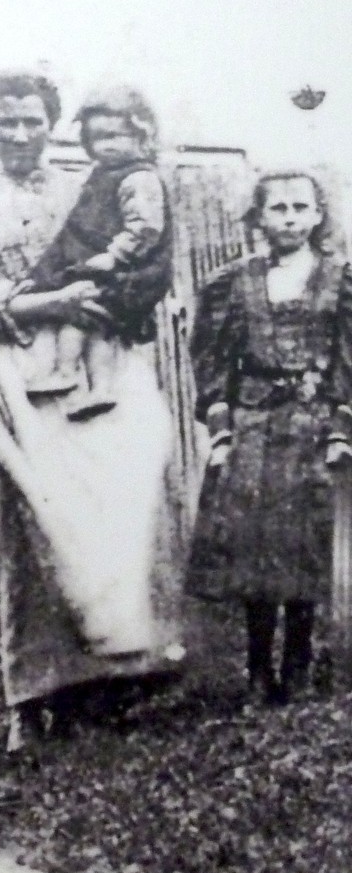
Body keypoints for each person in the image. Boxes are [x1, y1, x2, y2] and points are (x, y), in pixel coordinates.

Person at [0, 71, 181, 745]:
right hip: (18, 366)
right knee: (33, 526)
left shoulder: (89, 183)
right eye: (6, 121)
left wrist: (103, 303)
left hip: (98, 358)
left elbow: (141, 261)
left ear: (52, 125)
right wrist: (55, 304)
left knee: (109, 516)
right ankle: (33, 695)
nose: (19, 134)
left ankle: (107, 681)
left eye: (33, 121)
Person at [187, 171, 352, 705]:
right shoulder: (233, 282)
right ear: (257, 217)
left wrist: (342, 425)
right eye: (276, 207)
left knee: (304, 544)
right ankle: (258, 670)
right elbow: (212, 360)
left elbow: (348, 359)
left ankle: (299, 665)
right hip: (255, 424)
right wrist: (221, 427)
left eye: (300, 207)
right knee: (256, 551)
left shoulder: (339, 279)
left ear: (318, 215)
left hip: (311, 425)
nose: (288, 217)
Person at [23, 87, 172, 419]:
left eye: (115, 136)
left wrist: (115, 255)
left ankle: (67, 373)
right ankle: (99, 388)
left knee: (82, 316)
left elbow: (145, 227)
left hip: (132, 268)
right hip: (109, 266)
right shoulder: (102, 175)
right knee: (96, 321)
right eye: (96, 138)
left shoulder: (139, 178)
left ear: (141, 135)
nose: (105, 145)